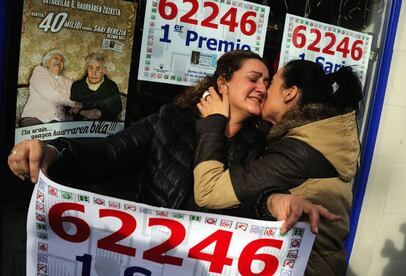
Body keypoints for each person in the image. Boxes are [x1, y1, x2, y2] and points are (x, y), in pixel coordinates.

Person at [8, 50, 336, 233]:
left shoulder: (257, 145)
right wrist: (54, 151)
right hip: (142, 254)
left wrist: (276, 203)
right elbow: (109, 152)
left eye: (267, 82)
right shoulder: (172, 119)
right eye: (253, 78)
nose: (262, 88)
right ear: (222, 82)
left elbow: (249, 202)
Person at [194, 59, 363, 275]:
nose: (263, 90)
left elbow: (209, 191)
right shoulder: (315, 139)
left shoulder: (300, 152)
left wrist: (213, 122)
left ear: (289, 93)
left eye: (270, 82)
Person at [20, 49, 82, 127]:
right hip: (35, 118)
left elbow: (78, 97)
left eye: (61, 60)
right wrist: (73, 104)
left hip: (59, 122)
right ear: (47, 62)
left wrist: (80, 108)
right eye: (56, 58)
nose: (59, 61)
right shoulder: (39, 71)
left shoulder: (68, 82)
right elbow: (50, 93)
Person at [70, 52, 122, 121]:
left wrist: (101, 113)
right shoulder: (77, 86)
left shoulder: (111, 86)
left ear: (104, 71)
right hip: (81, 126)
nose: (94, 73)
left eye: (98, 69)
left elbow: (117, 108)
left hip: (105, 125)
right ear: (87, 70)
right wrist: (83, 112)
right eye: (90, 68)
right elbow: (70, 108)